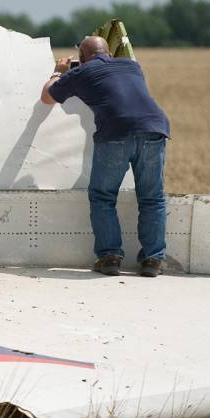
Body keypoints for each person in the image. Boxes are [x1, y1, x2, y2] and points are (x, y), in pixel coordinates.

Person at [40, 36, 171, 277]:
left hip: (115, 133)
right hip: (154, 128)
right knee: (152, 198)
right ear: (109, 52)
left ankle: (110, 256)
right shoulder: (132, 65)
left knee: (103, 197)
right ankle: (153, 260)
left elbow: (47, 97)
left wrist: (59, 72)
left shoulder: (80, 73)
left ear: (81, 58)